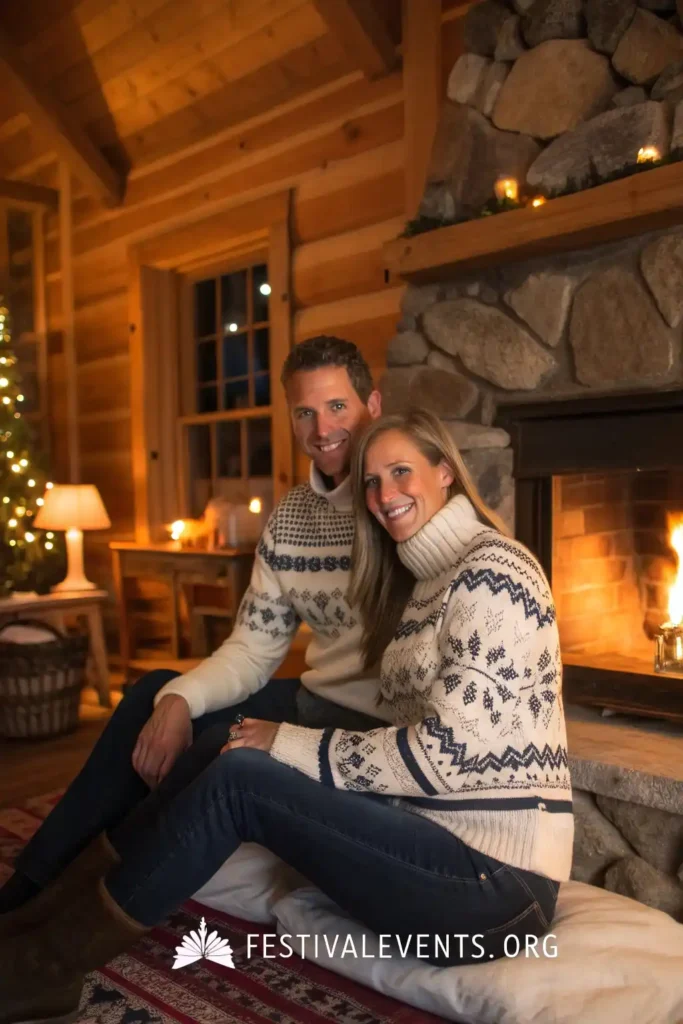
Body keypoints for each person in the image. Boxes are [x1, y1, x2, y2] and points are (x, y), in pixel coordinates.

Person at [0, 408, 573, 1024]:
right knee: (224, 750)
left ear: (446, 475)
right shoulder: (428, 584)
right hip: (439, 846)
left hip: (498, 895)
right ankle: (37, 922)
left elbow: (442, 756)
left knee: (243, 780)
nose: (384, 495)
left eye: (401, 471)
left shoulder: (494, 575)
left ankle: (44, 968)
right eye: (373, 482)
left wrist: (286, 742)